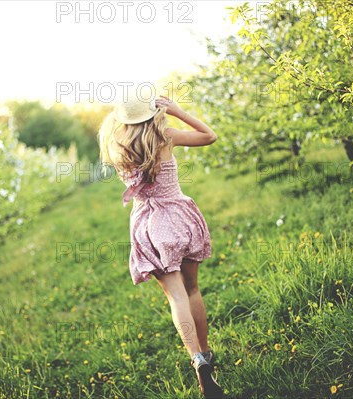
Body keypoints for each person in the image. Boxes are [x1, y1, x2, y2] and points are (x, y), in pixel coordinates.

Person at [98, 93, 223, 398]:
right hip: (179, 217)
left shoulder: (117, 146)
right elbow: (210, 136)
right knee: (192, 290)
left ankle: (196, 360)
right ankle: (206, 354)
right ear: (152, 112)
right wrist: (179, 111)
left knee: (176, 297)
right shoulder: (165, 135)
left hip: (149, 227)